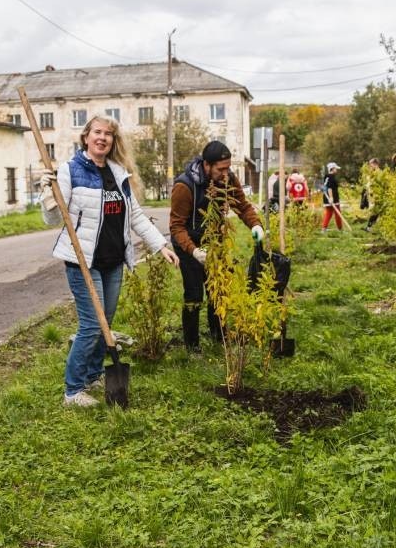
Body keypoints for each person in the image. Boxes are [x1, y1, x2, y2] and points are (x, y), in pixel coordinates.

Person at [40, 115, 179, 407]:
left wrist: (160, 245)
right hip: (83, 262)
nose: (103, 138)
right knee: (92, 325)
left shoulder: (118, 173)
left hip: (113, 261)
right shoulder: (69, 171)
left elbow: (136, 216)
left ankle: (92, 375)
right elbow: (54, 218)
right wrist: (46, 193)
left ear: (113, 141)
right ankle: (72, 390)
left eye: (109, 134)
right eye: (97, 132)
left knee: (106, 324)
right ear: (86, 137)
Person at [169, 141, 263, 352]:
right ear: (206, 165)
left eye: (228, 167)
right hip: (188, 244)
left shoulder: (227, 179)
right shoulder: (184, 186)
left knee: (218, 289)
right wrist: (194, 251)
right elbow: (176, 226)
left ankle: (218, 336)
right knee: (194, 294)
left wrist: (256, 225)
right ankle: (192, 346)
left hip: (214, 242)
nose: (225, 172)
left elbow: (242, 205)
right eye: (220, 168)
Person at [321, 162, 343, 232]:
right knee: (337, 213)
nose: (336, 170)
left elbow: (325, 187)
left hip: (327, 197)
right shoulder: (331, 177)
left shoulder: (327, 176)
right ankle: (340, 229)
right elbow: (329, 188)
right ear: (332, 169)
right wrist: (331, 198)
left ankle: (324, 228)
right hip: (332, 197)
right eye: (335, 168)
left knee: (329, 213)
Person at [362, 158, 382, 231]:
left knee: (376, 211)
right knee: (375, 211)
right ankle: (371, 227)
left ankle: (369, 227)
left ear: (375, 164)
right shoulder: (371, 173)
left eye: (371, 165)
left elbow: (378, 183)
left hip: (377, 194)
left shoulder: (379, 172)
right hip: (371, 194)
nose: (370, 166)